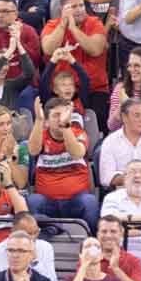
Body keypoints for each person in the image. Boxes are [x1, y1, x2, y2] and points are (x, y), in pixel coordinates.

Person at [27, 97, 97, 231]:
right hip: (48, 202)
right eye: (56, 115)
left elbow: (77, 153)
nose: (61, 119)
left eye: (64, 114)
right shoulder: (42, 134)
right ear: (47, 122)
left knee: (90, 202)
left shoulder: (79, 133)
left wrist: (66, 127)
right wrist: (39, 120)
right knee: (33, 200)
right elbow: (33, 150)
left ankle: (93, 241)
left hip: (75, 201)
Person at [41, 0, 110, 122]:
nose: (79, 10)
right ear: (62, 9)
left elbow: (95, 49)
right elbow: (48, 49)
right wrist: (63, 25)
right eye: (73, 7)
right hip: (61, 89)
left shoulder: (95, 23)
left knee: (98, 116)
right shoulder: (52, 25)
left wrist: (73, 28)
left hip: (94, 88)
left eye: (81, 5)